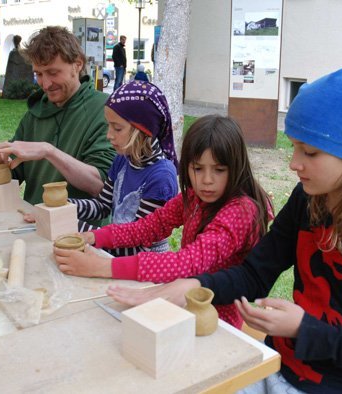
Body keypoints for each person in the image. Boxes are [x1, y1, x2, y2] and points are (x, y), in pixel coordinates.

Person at [108, 68, 342, 393]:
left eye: (309, 152)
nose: (294, 163)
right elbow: (255, 273)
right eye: (294, 146)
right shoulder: (307, 200)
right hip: (276, 365)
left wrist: (304, 329)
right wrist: (193, 285)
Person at [55, 114, 272, 329]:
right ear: (186, 167)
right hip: (183, 306)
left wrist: (104, 266)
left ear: (237, 167)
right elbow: (150, 226)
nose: (207, 180)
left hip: (217, 320)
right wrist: (94, 236)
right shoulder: (194, 197)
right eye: (198, 168)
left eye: (219, 170)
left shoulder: (241, 211)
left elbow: (186, 263)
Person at [0, 26, 116, 215]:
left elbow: (100, 186)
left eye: (53, 73)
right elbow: (13, 173)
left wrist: (49, 152)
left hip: (83, 231)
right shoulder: (36, 112)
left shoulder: (103, 110)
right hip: (33, 222)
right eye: (39, 74)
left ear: (77, 64)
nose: (45, 84)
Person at [67, 80, 179, 257]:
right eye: (108, 125)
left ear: (143, 130)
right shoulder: (122, 159)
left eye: (117, 128)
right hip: (116, 256)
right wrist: (63, 207)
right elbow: (102, 205)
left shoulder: (161, 177)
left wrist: (85, 233)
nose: (109, 135)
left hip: (146, 268)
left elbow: (140, 248)